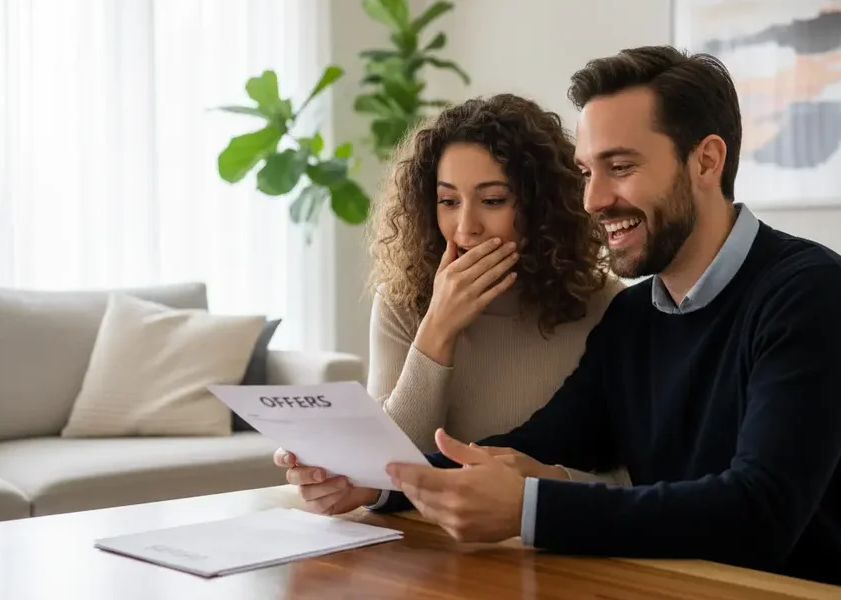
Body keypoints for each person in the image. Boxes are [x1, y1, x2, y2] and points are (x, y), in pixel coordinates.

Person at [275, 46, 841, 586]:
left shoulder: (810, 292)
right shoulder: (633, 317)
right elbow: (538, 445)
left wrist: (530, 509)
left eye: (619, 167)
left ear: (707, 161)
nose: (593, 200)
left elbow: (761, 511)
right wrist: (372, 486)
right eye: (588, 172)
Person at [360, 93, 627, 481]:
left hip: (555, 535)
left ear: (541, 207)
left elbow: (627, 479)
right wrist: (437, 330)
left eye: (493, 200)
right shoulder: (401, 301)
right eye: (448, 201)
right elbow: (383, 469)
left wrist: (534, 489)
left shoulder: (606, 305)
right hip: (430, 533)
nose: (467, 226)